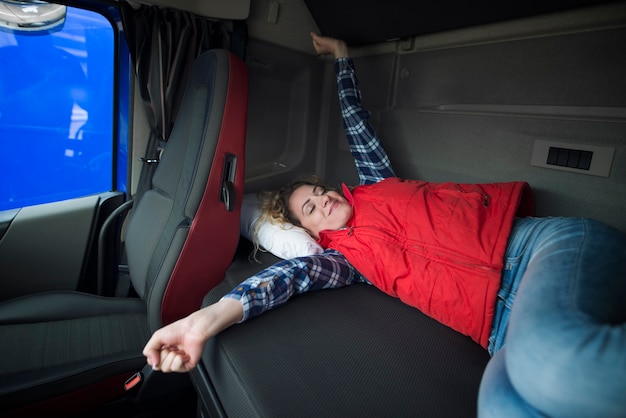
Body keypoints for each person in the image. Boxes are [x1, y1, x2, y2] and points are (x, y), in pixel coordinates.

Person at [144, 32, 626, 417]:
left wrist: (343, 57)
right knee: (501, 407)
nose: (324, 200)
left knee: (554, 369)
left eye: (319, 192)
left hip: (536, 250)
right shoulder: (341, 262)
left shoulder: (376, 184)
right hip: (499, 327)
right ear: (310, 234)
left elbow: (356, 122)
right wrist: (198, 322)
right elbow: (280, 281)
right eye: (310, 209)